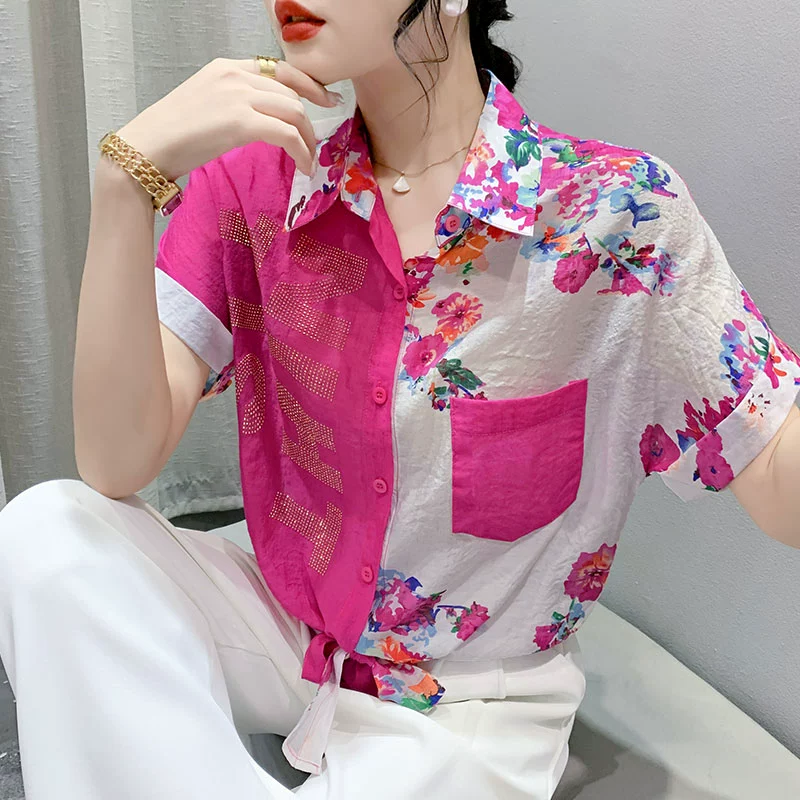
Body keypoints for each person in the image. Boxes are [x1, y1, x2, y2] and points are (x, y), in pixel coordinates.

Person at [1, 0, 799, 798]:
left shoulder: (616, 214)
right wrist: (124, 181)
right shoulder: (256, 185)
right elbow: (114, 461)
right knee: (45, 533)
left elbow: (776, 487)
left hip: (473, 698)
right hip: (290, 632)